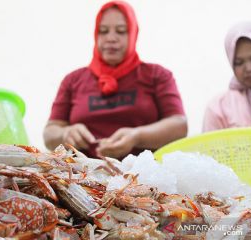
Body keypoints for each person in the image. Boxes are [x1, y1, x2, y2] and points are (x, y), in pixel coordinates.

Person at [43, 1, 187, 159]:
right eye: (103, 31)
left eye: (121, 31)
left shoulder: (157, 75)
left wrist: (137, 136)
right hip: (82, 175)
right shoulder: (73, 80)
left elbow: (179, 125)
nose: (111, 38)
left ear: (133, 34)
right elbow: (50, 132)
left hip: (143, 174)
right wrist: (66, 133)